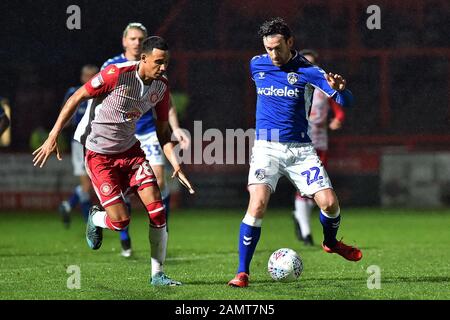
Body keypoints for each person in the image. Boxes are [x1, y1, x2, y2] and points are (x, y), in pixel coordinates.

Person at [33, 36, 195, 286]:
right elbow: (76, 98)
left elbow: (163, 131)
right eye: (159, 62)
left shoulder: (161, 87)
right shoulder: (115, 74)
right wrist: (53, 135)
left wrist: (176, 164)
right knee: (120, 222)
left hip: (131, 153)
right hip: (99, 156)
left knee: (157, 209)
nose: (163, 68)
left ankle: (158, 275)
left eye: (166, 63)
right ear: (144, 58)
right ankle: (96, 218)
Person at [227, 17, 362, 288]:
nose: (273, 54)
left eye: (278, 47)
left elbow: (347, 101)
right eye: (268, 48)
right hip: (267, 147)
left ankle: (331, 242)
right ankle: (242, 273)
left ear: (290, 42)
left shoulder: (309, 71)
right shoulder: (257, 64)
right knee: (257, 204)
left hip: (301, 149)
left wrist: (340, 91)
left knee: (329, 203)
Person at [102, 22, 191, 257]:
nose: (136, 41)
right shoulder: (112, 66)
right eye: (132, 38)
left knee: (159, 181)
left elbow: (165, 103)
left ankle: (162, 228)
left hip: (147, 131)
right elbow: (97, 98)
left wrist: (176, 128)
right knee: (127, 187)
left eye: (141, 38)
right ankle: (124, 236)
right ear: (124, 41)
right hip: (120, 133)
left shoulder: (156, 68)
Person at [292, 49, 346, 246]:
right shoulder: (293, 84)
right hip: (296, 140)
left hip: (319, 140)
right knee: (304, 189)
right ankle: (306, 232)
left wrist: (338, 120)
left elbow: (338, 108)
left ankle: (301, 219)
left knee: (314, 189)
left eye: (312, 63)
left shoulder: (323, 86)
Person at [58, 64, 99, 228]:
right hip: (79, 144)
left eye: (93, 76)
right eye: (86, 76)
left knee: (92, 185)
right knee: (87, 185)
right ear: (82, 77)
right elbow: (65, 114)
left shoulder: (103, 92)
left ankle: (68, 206)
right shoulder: (74, 92)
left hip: (98, 143)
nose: (89, 79)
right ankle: (88, 222)